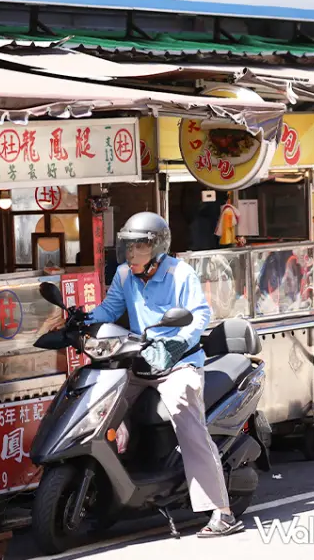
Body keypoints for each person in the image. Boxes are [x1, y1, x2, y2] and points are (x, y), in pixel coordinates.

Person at [86, 211, 244, 537]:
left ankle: (222, 512)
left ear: (156, 248)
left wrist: (176, 344)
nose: (130, 254)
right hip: (140, 360)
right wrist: (79, 320)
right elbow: (108, 310)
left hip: (179, 362)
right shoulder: (124, 276)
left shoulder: (180, 274)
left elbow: (199, 314)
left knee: (186, 420)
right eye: (127, 247)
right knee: (98, 405)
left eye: (137, 248)